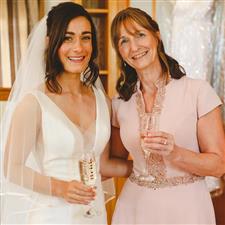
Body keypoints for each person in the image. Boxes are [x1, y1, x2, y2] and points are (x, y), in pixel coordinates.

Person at [1, 2, 132, 224]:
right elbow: (11, 168)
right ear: (50, 42)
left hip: (93, 213)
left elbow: (104, 165)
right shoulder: (34, 103)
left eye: (86, 37)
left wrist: (145, 167)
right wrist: (60, 188)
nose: (78, 48)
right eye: (68, 38)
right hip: (52, 215)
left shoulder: (103, 101)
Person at [110, 7, 225, 225]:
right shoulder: (120, 104)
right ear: (119, 51)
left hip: (187, 210)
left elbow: (219, 165)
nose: (134, 47)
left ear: (157, 35)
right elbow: (114, 163)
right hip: (134, 209)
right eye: (123, 41)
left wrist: (175, 153)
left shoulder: (198, 91)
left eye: (140, 35)